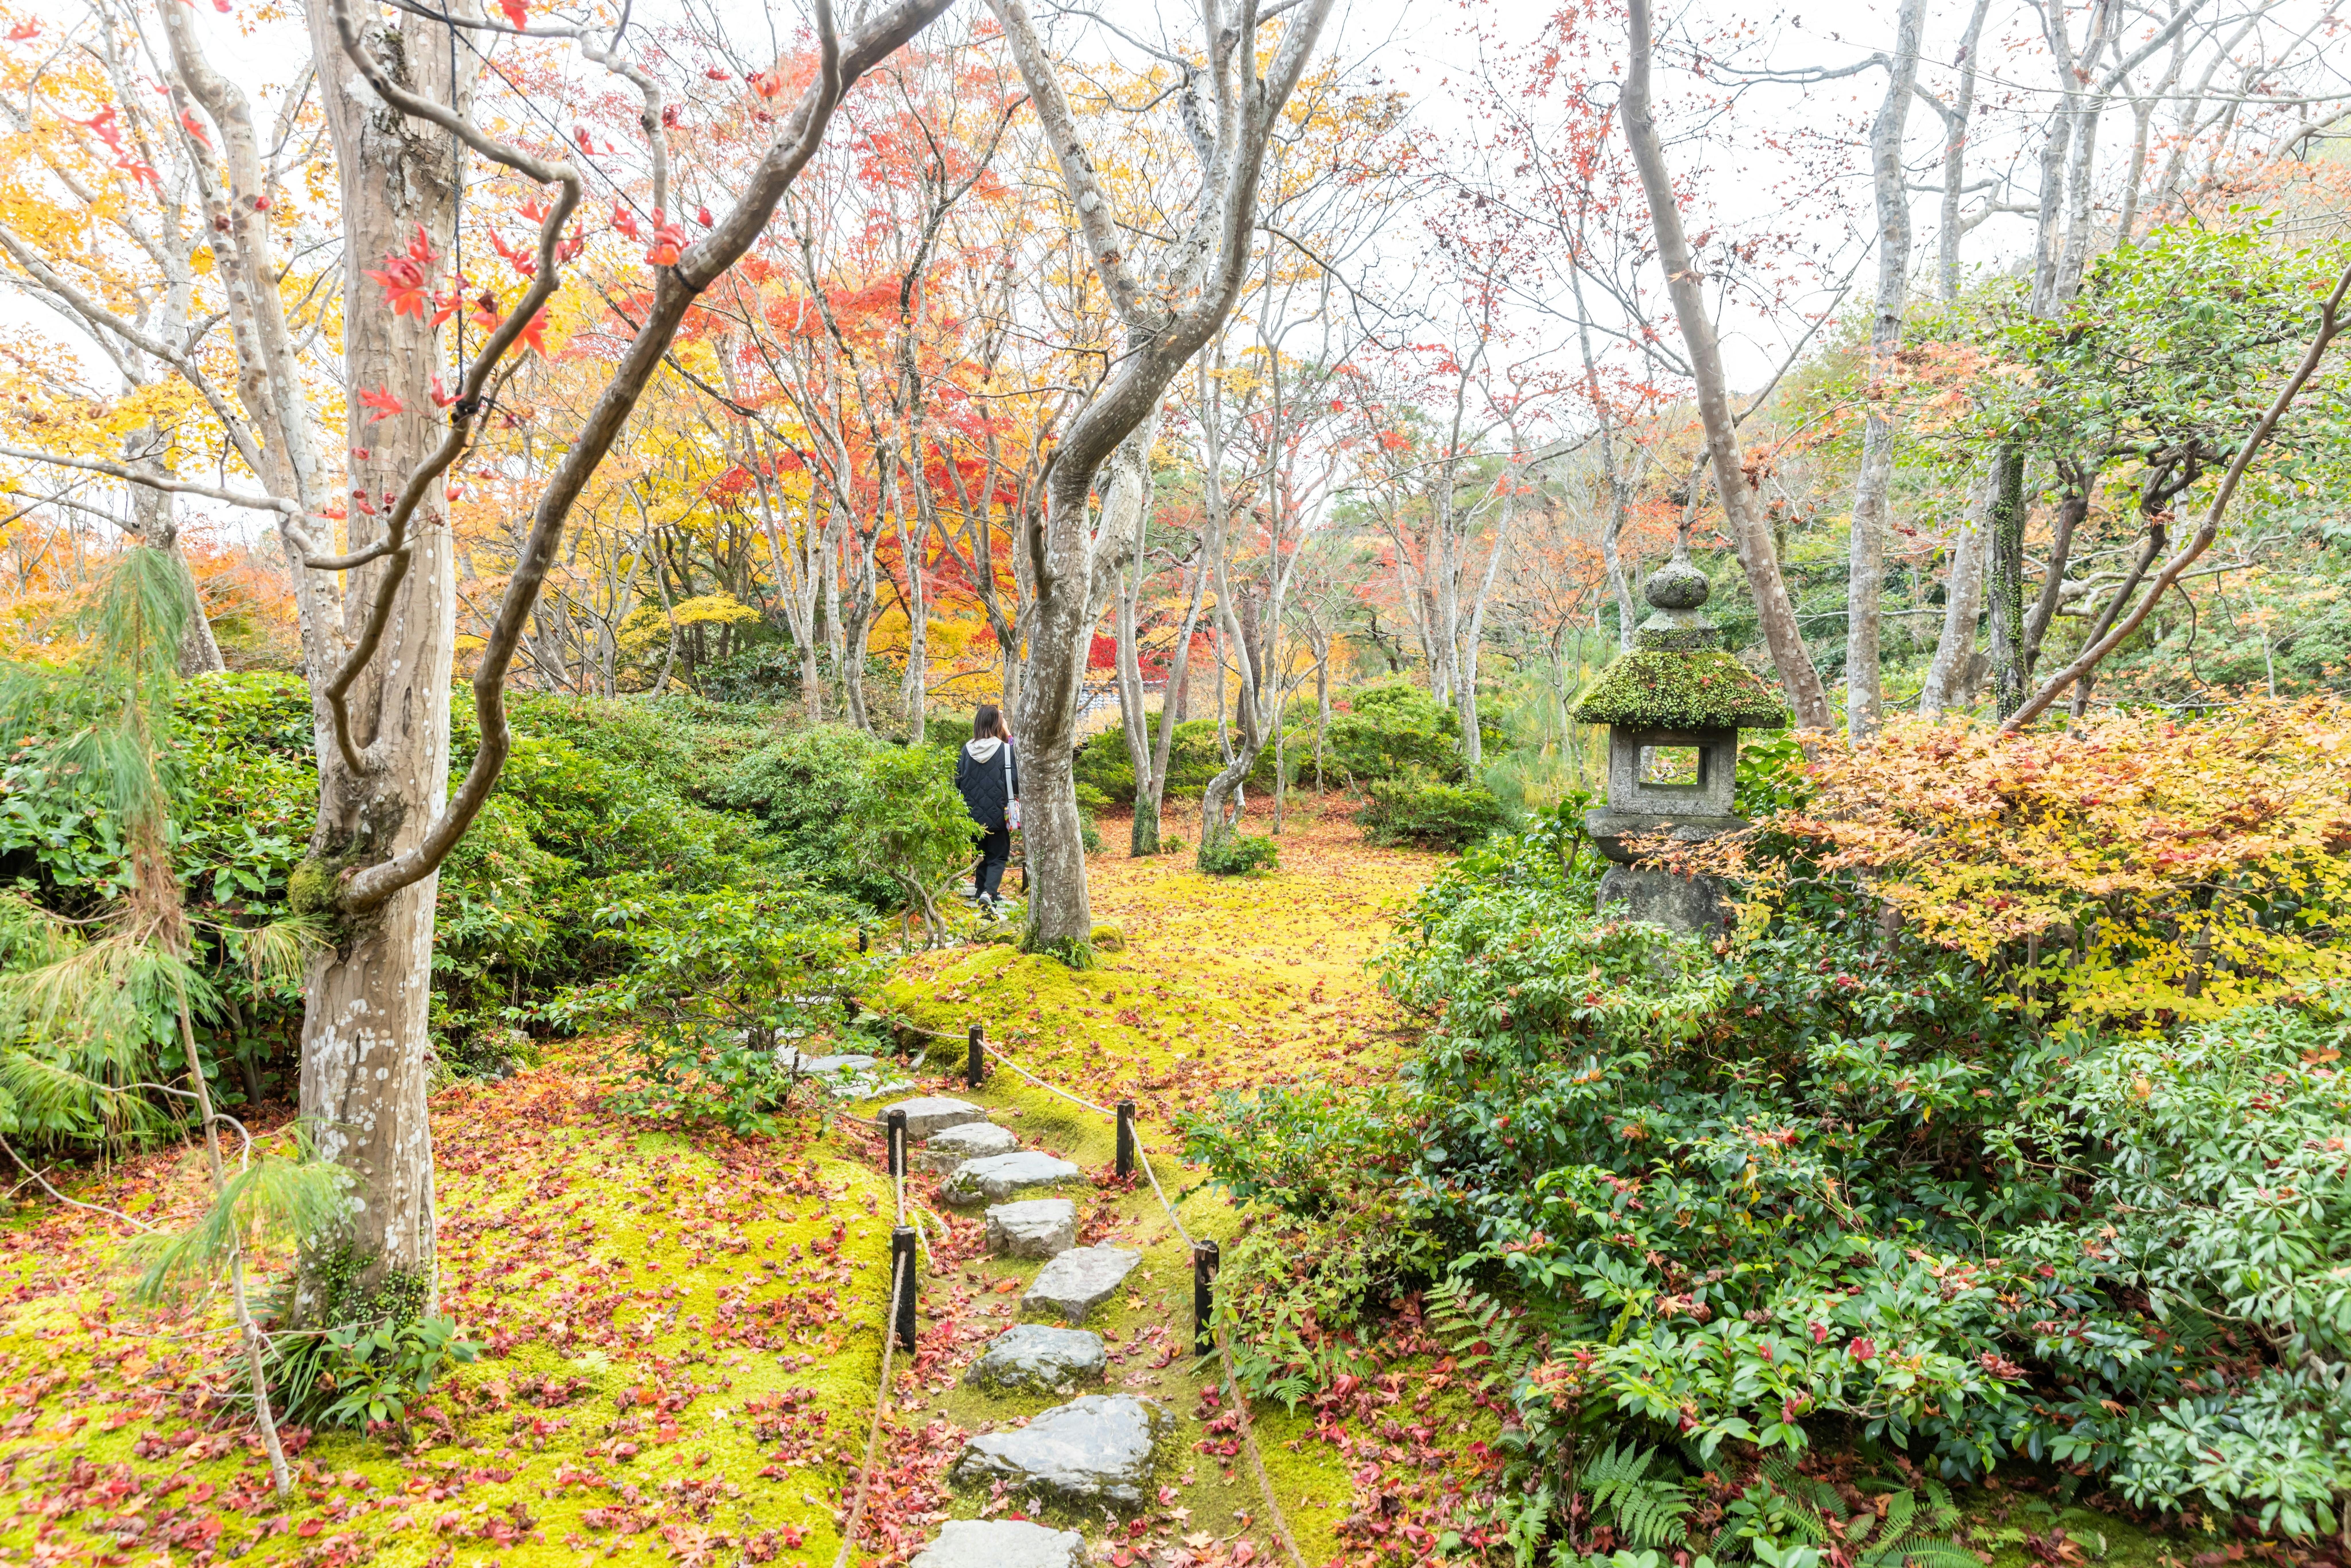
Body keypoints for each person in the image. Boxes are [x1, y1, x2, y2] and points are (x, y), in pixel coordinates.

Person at [955, 705, 1019, 911]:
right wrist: (1009, 734)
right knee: (999, 855)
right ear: (997, 724)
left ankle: (980, 890)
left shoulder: (966, 749)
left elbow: (958, 780)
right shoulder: (1006, 750)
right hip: (999, 813)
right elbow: (1016, 782)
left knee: (980, 854)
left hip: (972, 814)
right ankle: (989, 892)